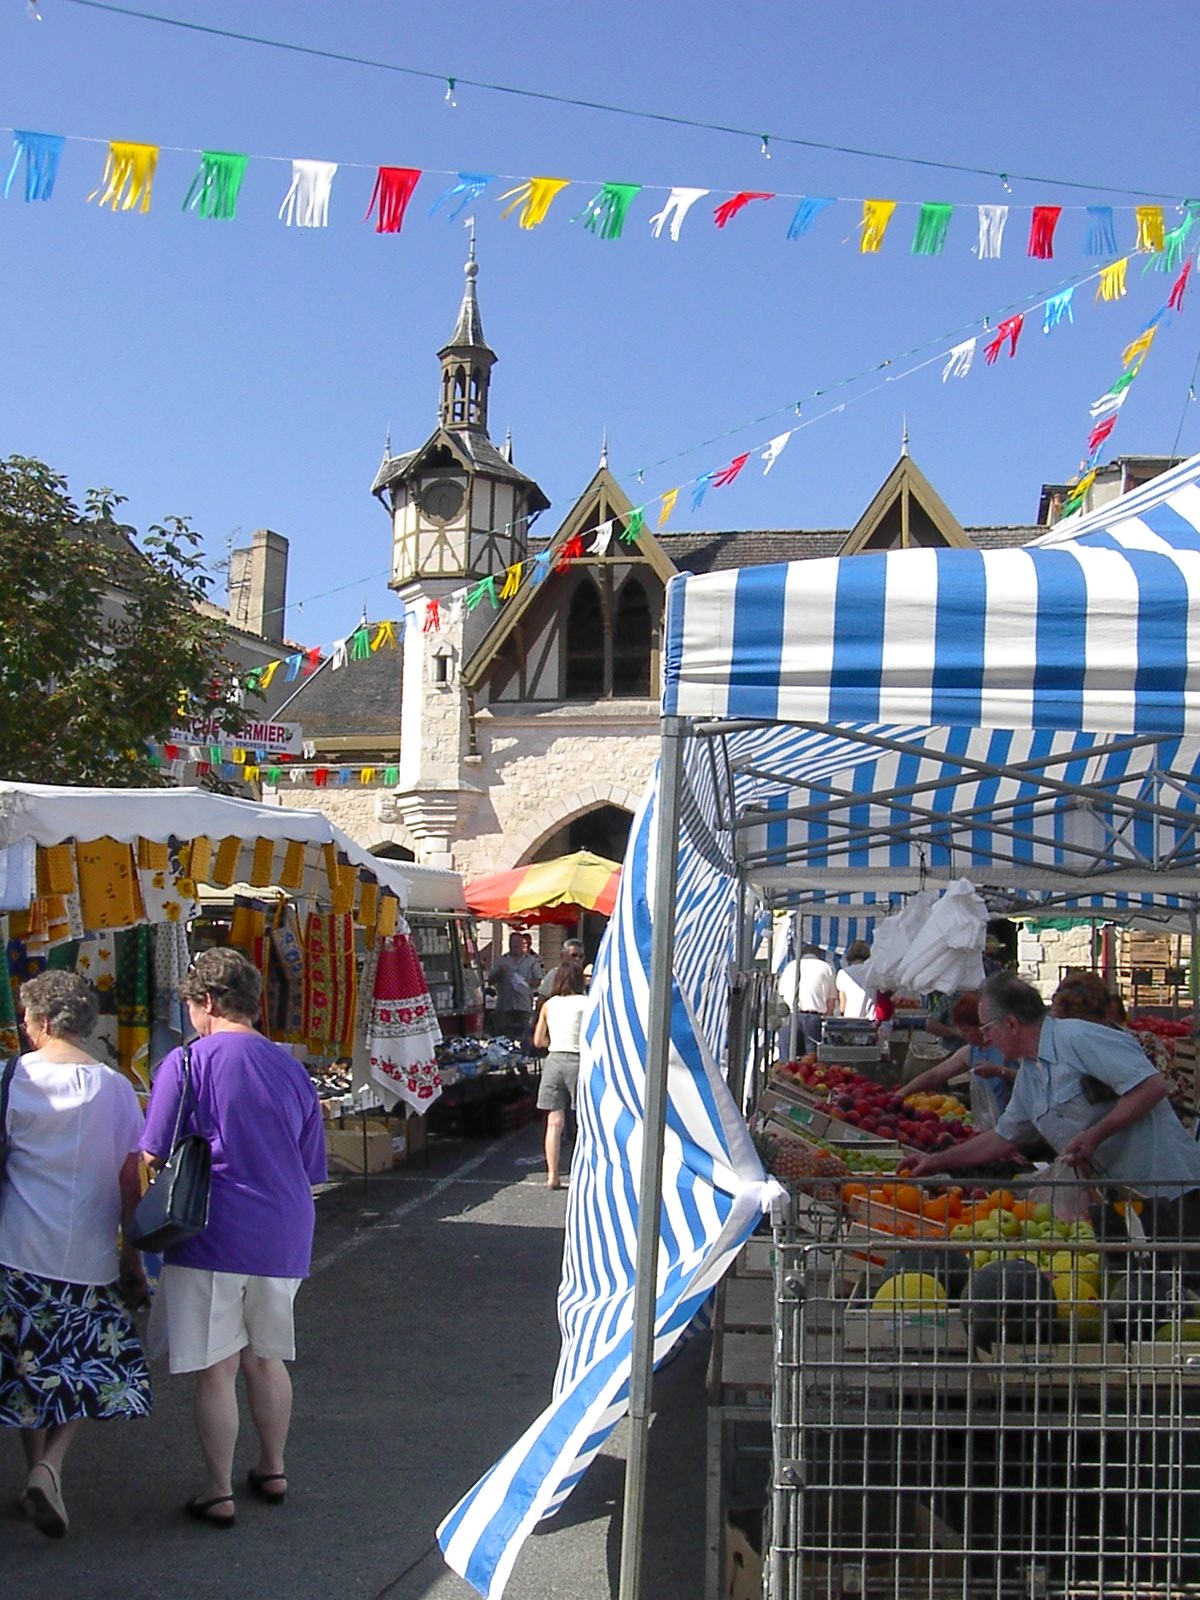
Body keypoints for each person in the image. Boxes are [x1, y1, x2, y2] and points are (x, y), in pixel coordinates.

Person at [141, 948, 327, 1528]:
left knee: (216, 1366)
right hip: (284, 1230)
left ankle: (218, 1489)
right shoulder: (292, 1067)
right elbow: (311, 1165)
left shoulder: (186, 1063)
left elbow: (152, 1151)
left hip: (210, 1229)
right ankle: (273, 1467)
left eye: (193, 1004)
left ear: (209, 1002)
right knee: (267, 1358)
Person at [0, 970, 151, 1540]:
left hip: (15, 1249)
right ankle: (48, 1467)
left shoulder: (10, 1078)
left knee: (24, 1369)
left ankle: (35, 1470)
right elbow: (128, 1181)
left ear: (38, 1022)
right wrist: (132, 1260)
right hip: (87, 1256)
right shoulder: (114, 1088)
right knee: (88, 1369)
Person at [909, 973, 1200, 1238]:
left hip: (1167, 1191)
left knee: (1179, 1286)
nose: (984, 1039)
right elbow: (1002, 1138)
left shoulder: (1078, 1038)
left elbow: (1151, 1086)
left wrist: (1096, 1134)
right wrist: (936, 1161)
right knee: (1135, 1288)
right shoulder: (1029, 1076)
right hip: (1116, 1201)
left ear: (1011, 1024)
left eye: (987, 1028)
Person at [901, 990, 1017, 1120]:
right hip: (993, 1125)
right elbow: (934, 1075)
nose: (963, 1034)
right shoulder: (971, 1051)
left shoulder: (1008, 1048)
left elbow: (1029, 1077)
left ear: (981, 1026)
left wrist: (999, 1071)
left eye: (966, 1030)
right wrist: (902, 1093)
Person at [531, 960, 588, 1190]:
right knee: (584, 1121)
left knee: (554, 1122)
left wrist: (553, 1041)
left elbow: (538, 1040)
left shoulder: (549, 1005)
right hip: (579, 1059)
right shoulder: (587, 1002)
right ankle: (581, 1174)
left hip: (554, 1060)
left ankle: (552, 1175)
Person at [778, 944, 837, 1056]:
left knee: (786, 1061)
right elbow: (831, 1002)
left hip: (790, 1016)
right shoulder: (827, 968)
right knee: (811, 1061)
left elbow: (781, 994)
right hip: (813, 1018)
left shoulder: (790, 966)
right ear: (819, 955)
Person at [488, 931, 544, 1040]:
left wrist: (525, 982)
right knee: (502, 1037)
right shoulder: (502, 960)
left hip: (523, 1005)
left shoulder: (531, 961)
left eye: (518, 942)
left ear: (522, 944)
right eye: (513, 942)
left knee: (524, 1036)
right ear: (509, 943)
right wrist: (499, 972)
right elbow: (490, 980)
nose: (515, 945)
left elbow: (539, 980)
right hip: (504, 1006)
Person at [835, 941, 874, 1020]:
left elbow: (842, 1006)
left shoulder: (843, 973)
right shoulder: (872, 972)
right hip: (870, 1019)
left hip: (850, 1019)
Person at [537, 938, 584, 1002]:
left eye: (581, 956)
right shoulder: (554, 973)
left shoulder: (581, 975)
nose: (577, 959)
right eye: (574, 955)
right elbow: (542, 998)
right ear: (562, 956)